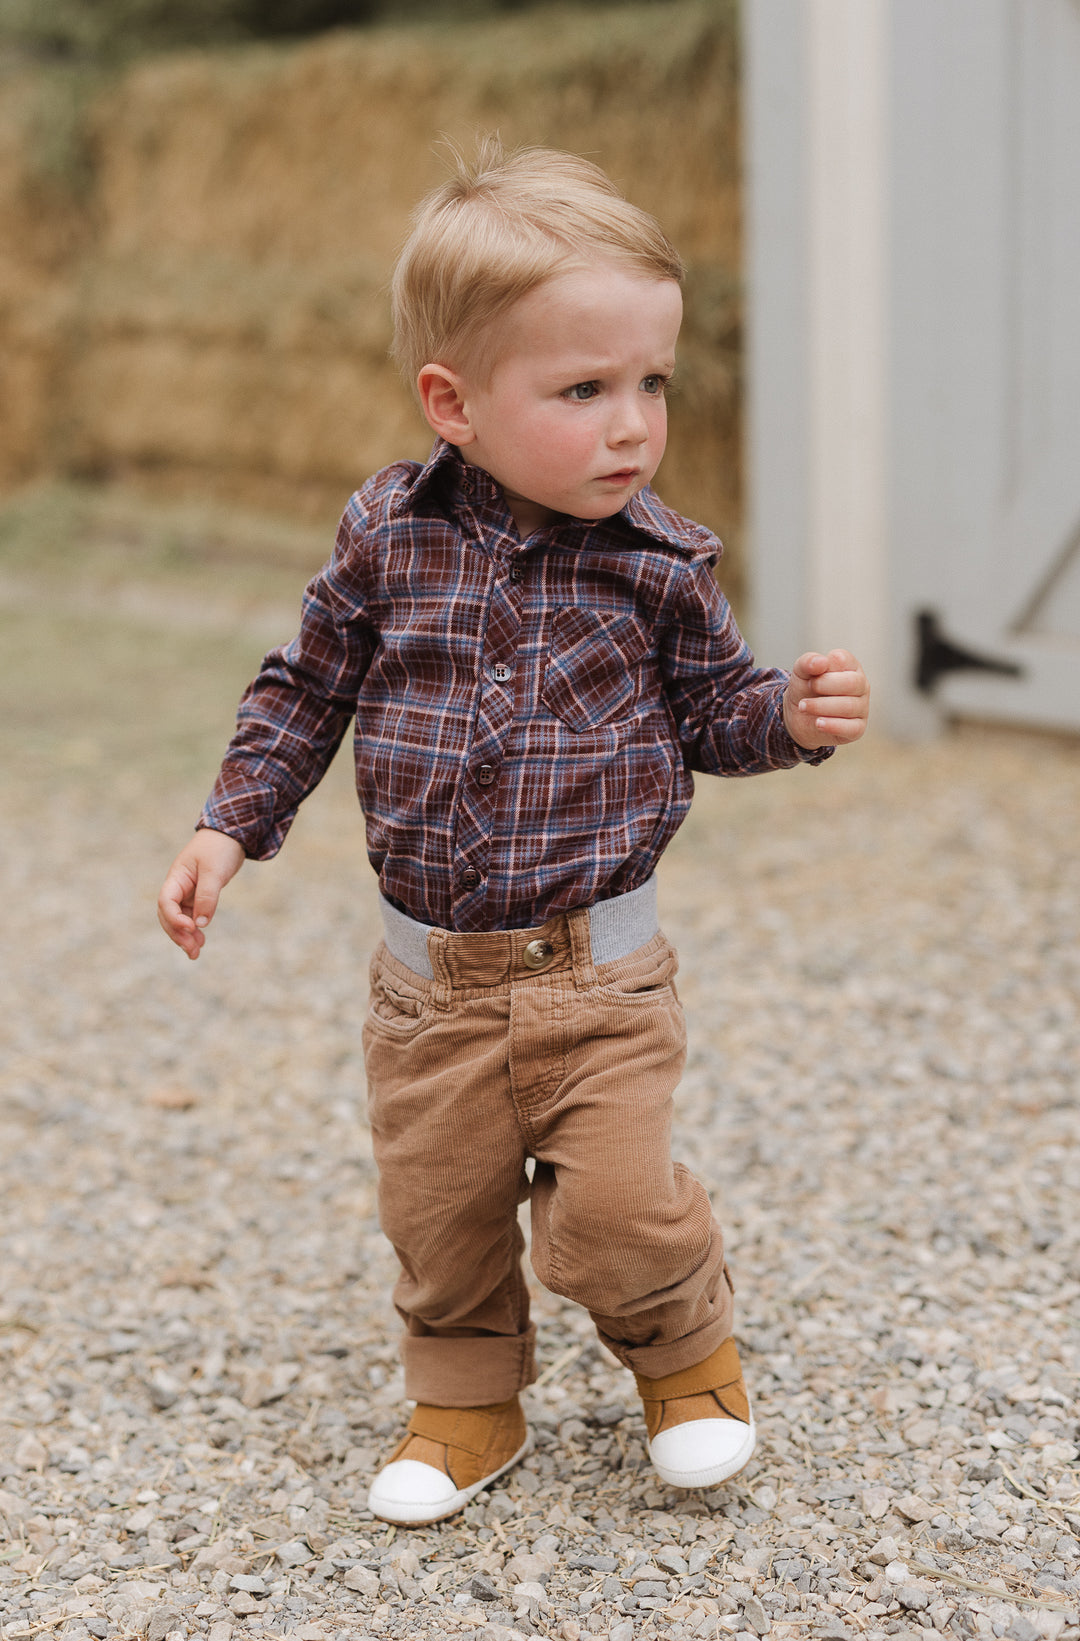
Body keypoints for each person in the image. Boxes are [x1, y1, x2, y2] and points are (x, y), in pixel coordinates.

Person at [157, 140, 870, 1526]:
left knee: (609, 1208)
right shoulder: (389, 534)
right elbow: (307, 685)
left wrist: (791, 712)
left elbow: (717, 716)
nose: (633, 425)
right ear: (455, 401)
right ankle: (470, 1406)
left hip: (598, 979)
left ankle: (687, 1354)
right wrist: (226, 826)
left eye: (652, 383)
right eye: (585, 389)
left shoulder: (662, 564)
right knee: (439, 1212)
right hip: (429, 991)